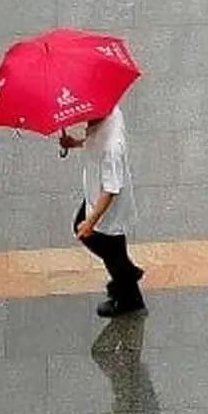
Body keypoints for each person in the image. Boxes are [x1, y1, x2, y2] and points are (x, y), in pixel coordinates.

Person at [59, 108, 144, 317]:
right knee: (113, 252)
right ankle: (127, 274)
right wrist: (76, 143)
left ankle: (128, 297)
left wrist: (90, 223)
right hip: (95, 195)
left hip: (107, 212)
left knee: (111, 254)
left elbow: (111, 189)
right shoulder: (108, 113)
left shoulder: (112, 146)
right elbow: (94, 142)